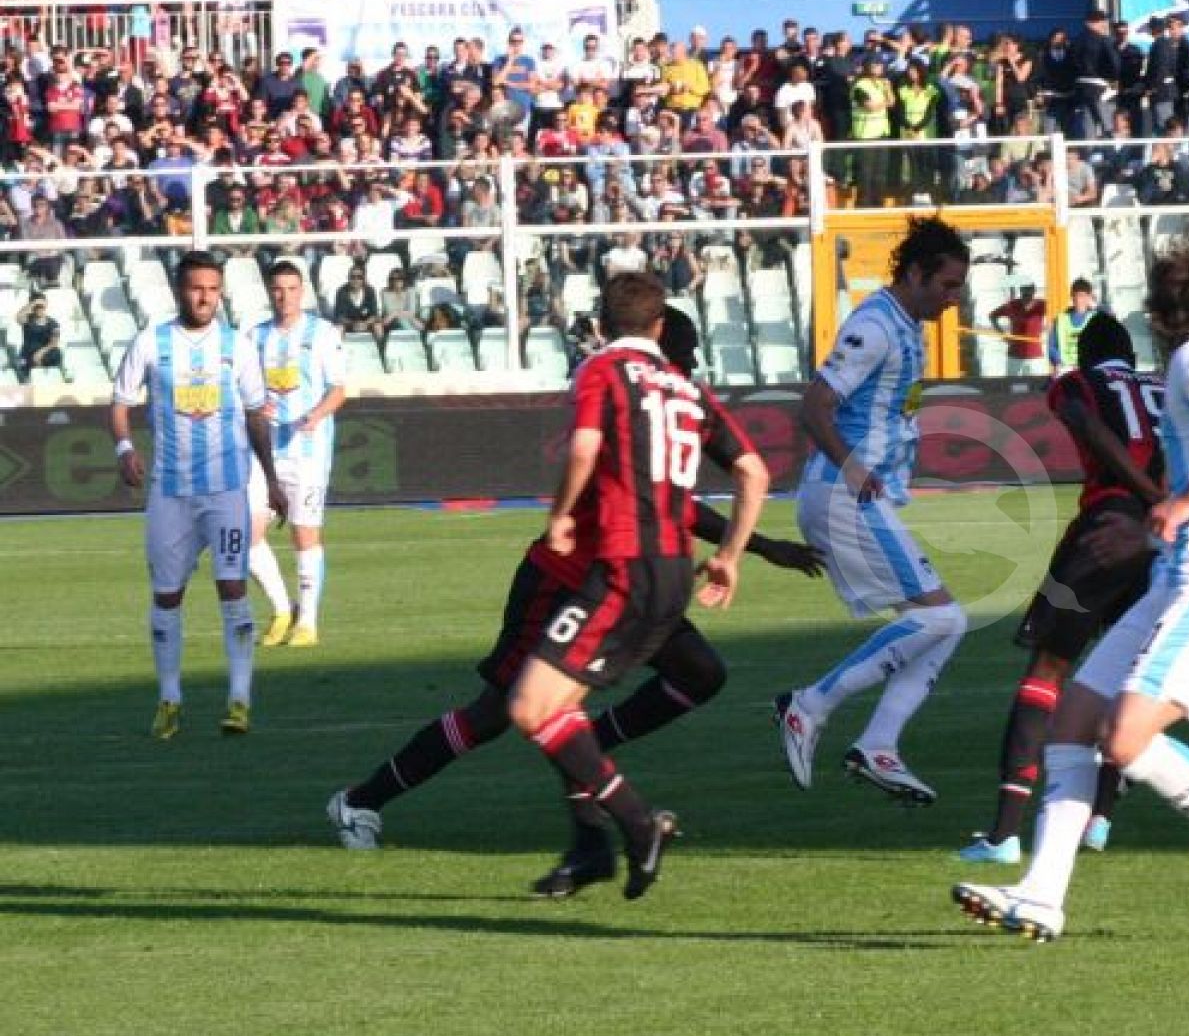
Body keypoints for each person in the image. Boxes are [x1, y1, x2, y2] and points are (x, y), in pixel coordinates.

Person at [326, 309, 823, 891]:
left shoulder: (662, 402)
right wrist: (760, 547)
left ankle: (591, 782)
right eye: (683, 358)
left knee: (698, 673)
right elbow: (671, 500)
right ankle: (361, 800)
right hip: (565, 579)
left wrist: (756, 546)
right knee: (494, 713)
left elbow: (675, 503)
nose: (686, 370)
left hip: (627, 583)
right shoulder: (626, 395)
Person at [953, 246, 1189, 942]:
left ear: (1160, 316)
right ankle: (1042, 895)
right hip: (1176, 581)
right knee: (1073, 722)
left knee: (1125, 737)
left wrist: (1186, 500)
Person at [499, 273, 769, 900]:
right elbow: (754, 472)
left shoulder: (603, 370)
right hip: (672, 573)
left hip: (624, 567)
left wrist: (560, 515)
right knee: (562, 709)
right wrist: (730, 557)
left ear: (601, 325)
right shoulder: (686, 387)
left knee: (529, 707)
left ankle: (638, 823)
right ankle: (593, 844)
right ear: (659, 327)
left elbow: (583, 449)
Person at [774, 217, 973, 805]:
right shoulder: (874, 327)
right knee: (941, 618)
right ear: (915, 273)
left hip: (856, 495)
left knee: (946, 624)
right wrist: (855, 467)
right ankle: (810, 705)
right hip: (844, 494)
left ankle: (878, 745)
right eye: (947, 285)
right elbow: (814, 406)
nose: (953, 299)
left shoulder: (903, 326)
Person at [956, 313, 1164, 864]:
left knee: (1047, 672)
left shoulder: (1078, 382)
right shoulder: (1162, 387)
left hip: (1107, 528)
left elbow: (1084, 422)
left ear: (1086, 355)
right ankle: (1101, 818)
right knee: (1126, 675)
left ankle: (1003, 836)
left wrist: (1143, 493)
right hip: (1159, 541)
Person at [110, 251, 287, 740]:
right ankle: (169, 700)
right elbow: (121, 402)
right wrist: (125, 448)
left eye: (212, 289)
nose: (205, 297)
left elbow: (256, 414)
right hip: (170, 494)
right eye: (196, 288)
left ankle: (239, 699)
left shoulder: (237, 346)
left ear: (221, 292)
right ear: (178, 291)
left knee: (232, 588)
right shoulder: (151, 342)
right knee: (167, 595)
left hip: (225, 491)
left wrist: (272, 480)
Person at [246, 261, 346, 650]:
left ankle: (307, 622)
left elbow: (338, 390)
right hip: (263, 452)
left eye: (291, 289)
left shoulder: (322, 334)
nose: (284, 296)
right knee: (243, 533)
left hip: (307, 451)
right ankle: (281, 609)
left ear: (301, 292)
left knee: (304, 533)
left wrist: (315, 415)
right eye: (277, 289)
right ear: (268, 292)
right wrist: (255, 407)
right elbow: (243, 390)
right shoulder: (254, 337)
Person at [988, 283, 1048, 375]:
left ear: (1034, 291)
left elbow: (1057, 313)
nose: (1027, 295)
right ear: (1020, 291)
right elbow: (992, 316)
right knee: (1012, 382)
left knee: (1037, 382)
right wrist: (1003, 335)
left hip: (1035, 355)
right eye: (1024, 291)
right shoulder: (1012, 305)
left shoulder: (1042, 305)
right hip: (1015, 354)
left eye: (1029, 291)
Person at [1047, 278, 1102, 372]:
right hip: (1065, 369)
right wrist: (1058, 362)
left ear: (1089, 297)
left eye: (1083, 296)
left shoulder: (1097, 320)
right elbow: (1052, 347)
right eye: (1077, 296)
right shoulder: (1060, 320)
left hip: (1089, 368)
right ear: (1072, 296)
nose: (1079, 300)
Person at [13, 295, 62, 380]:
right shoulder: (28, 319)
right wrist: (33, 303)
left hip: (46, 351)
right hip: (28, 352)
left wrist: (40, 353)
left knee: (54, 355)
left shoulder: (53, 323)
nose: (39, 309)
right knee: (21, 363)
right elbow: (18, 317)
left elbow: (54, 342)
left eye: (41, 306)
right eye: (37, 307)